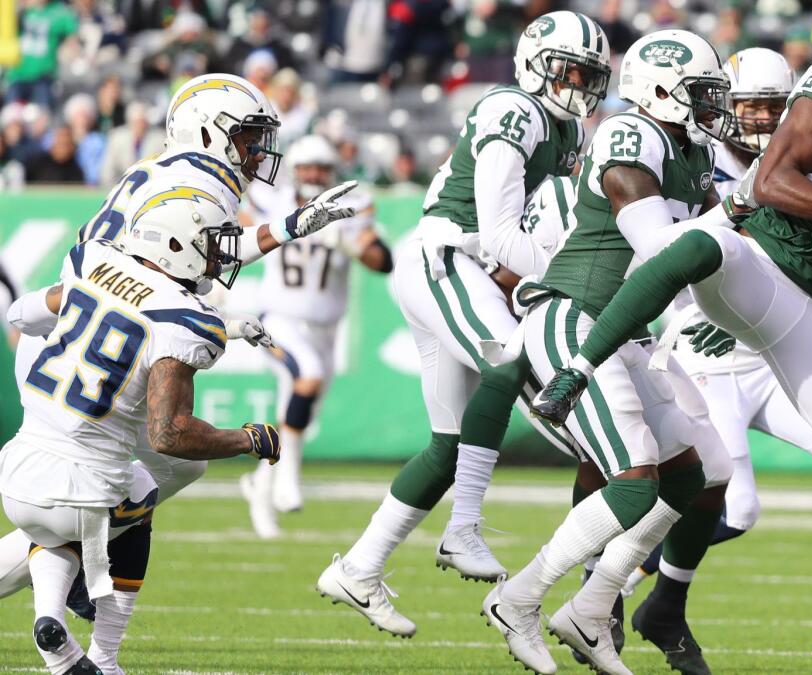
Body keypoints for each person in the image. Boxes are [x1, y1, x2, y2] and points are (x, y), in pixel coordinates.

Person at [531, 29, 812, 675]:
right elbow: (770, 180)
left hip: (806, 298)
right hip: (754, 258)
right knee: (693, 248)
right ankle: (577, 369)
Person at [0, 72, 360, 632]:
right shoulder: (201, 184)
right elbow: (195, 259)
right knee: (155, 465)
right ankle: (80, 559)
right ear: (211, 130)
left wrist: (292, 225)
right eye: (247, 136)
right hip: (96, 333)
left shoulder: (170, 170)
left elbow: (202, 254)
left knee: (110, 487)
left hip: (73, 325)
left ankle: (70, 555)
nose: (255, 150)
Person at [315, 9, 610, 640]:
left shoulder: (564, 131)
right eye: (569, 71)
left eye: (590, 75)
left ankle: (359, 568)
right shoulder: (517, 111)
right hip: (444, 258)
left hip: (463, 268)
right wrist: (570, 276)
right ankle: (463, 528)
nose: (579, 85)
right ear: (536, 63)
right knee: (509, 358)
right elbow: (501, 235)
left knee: (448, 446)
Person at [620, 47, 812, 653]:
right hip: (707, 354)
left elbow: (796, 262)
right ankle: (618, 577)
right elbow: (668, 253)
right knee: (734, 506)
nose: (759, 118)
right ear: (722, 107)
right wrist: (685, 315)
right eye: (747, 106)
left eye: (771, 106)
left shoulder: (810, 157)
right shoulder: (698, 162)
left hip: (770, 352)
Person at [483, 29, 737, 675]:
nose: (711, 109)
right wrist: (740, 208)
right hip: (576, 318)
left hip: (627, 331)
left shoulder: (689, 150)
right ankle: (520, 597)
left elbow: (726, 246)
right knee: (633, 480)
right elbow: (659, 244)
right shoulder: (633, 136)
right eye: (700, 95)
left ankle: (593, 606)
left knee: (698, 470)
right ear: (657, 91)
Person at [0, 189, 283, 675]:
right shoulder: (186, 321)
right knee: (137, 491)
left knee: (61, 520)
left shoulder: (92, 265)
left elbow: (20, 315)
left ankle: (53, 632)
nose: (219, 254)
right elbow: (169, 435)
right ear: (178, 246)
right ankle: (106, 658)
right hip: (82, 489)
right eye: (211, 243)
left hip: (16, 472)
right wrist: (247, 439)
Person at [240, 135, 393, 539]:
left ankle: (261, 484)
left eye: (321, 169)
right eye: (307, 168)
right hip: (278, 319)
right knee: (304, 376)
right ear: (295, 170)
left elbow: (383, 261)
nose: (313, 175)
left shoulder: (350, 207)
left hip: (326, 329)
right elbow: (238, 230)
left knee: (299, 415)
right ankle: (289, 478)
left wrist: (346, 242)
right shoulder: (273, 200)